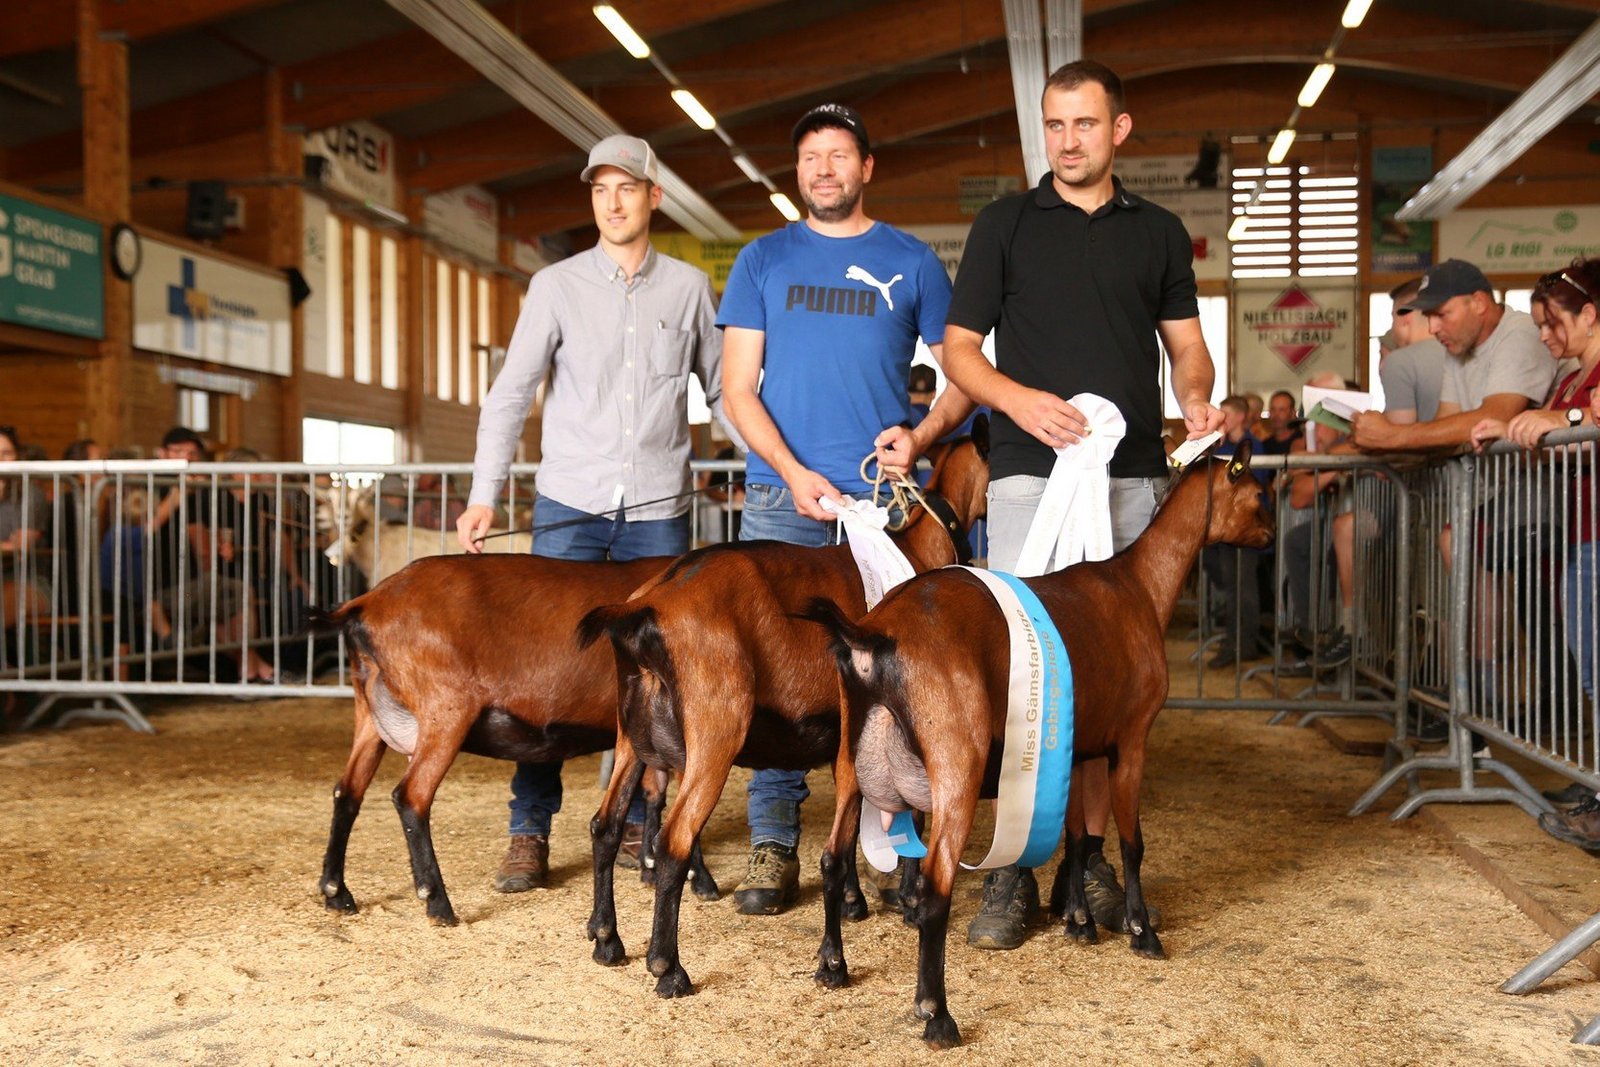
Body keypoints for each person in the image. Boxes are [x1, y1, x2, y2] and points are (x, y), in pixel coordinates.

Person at [939, 59, 1224, 950]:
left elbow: (1188, 348)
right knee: (1022, 671)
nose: (1068, 141)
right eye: (1055, 125)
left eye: (1085, 124)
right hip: (1028, 474)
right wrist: (1018, 402)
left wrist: (1198, 396)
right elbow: (958, 349)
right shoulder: (1003, 223)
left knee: (1107, 680)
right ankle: (1013, 868)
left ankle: (1089, 861)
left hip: (1130, 477)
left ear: (1120, 130)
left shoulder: (1161, 233)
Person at [716, 102, 972, 915]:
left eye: (838, 155)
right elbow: (736, 389)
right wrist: (791, 471)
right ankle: (773, 840)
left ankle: (897, 844)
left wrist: (921, 434)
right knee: (775, 671)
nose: (823, 170)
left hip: (882, 505)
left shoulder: (913, 261)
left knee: (897, 673)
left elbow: (965, 374)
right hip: (781, 499)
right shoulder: (761, 259)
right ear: (797, 172)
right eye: (809, 158)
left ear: (867, 167)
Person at [456, 135, 725, 894]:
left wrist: (783, 469)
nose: (612, 202)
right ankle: (529, 827)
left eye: (626, 188)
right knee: (548, 671)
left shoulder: (689, 289)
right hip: (570, 504)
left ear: (653, 197)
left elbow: (725, 391)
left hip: (658, 510)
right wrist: (484, 493)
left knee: (654, 672)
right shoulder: (556, 285)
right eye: (600, 189)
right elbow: (511, 393)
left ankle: (638, 815)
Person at [1470, 260, 1600, 706]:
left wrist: (1563, 421)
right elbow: (1553, 440)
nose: (1544, 335)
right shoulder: (1570, 381)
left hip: (1592, 537)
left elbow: (1577, 431)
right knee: (1589, 671)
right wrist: (1511, 430)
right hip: (1575, 537)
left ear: (1588, 315)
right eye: (1540, 325)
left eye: (1552, 323)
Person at [1351, 259, 1552, 453]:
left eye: (1441, 314)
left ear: (1479, 303)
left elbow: (1493, 418)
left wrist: (1391, 436)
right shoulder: (1458, 347)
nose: (1432, 328)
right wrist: (1383, 444)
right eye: (1428, 317)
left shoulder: (1520, 333)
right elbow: (1445, 424)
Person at [1202, 396, 1269, 666]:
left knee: (1243, 586)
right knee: (1233, 586)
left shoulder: (1254, 446)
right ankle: (1235, 641)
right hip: (1227, 524)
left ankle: (1243, 643)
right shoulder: (1223, 446)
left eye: (1226, 415)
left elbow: (1252, 485)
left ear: (1240, 417)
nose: (1222, 420)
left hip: (1247, 524)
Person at [1378, 276, 1447, 426]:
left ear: (1405, 318)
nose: (1392, 327)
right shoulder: (1459, 353)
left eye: (1393, 317)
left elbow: (1396, 434)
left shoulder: (1400, 361)